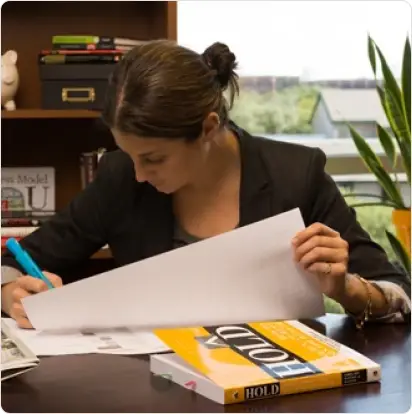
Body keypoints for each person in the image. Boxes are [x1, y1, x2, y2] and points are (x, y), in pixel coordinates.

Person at [1, 40, 410, 329]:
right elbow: (14, 262)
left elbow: (399, 296)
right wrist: (11, 293)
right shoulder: (122, 178)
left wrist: (345, 287)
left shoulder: (296, 174)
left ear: (208, 128)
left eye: (154, 159)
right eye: (129, 155)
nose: (139, 173)